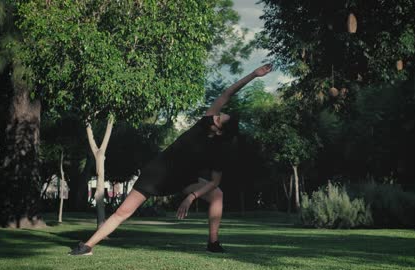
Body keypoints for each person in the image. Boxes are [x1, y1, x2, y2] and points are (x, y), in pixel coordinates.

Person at [69, 64, 273, 256]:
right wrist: (254, 75)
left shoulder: (218, 151)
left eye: (219, 119)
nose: (215, 116)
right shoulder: (203, 124)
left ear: (219, 131)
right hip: (157, 173)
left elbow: (215, 182)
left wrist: (191, 196)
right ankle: (87, 246)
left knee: (217, 195)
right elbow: (227, 93)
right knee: (123, 211)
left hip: (182, 180)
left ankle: (213, 243)